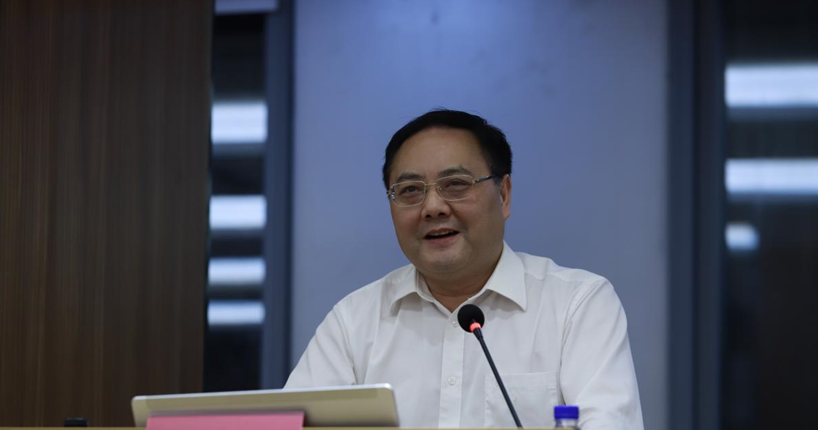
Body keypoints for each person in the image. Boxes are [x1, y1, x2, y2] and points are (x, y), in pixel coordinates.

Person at [285, 109, 644, 429]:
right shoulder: (354, 321)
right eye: (410, 190)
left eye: (455, 184)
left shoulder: (576, 305)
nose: (433, 207)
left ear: (503, 195)